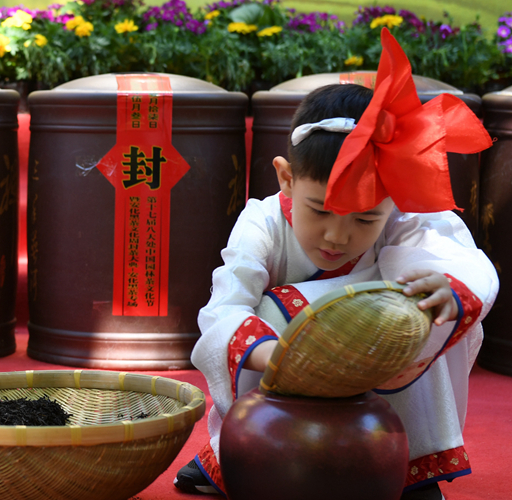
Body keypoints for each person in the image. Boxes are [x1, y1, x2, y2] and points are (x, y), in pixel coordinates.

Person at [175, 28, 497, 500]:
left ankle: (406, 464)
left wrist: (448, 287)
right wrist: (288, 360)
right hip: (283, 367)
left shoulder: (405, 215)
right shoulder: (262, 222)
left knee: (438, 307)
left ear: (394, 196)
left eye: (366, 217)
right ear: (286, 177)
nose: (337, 236)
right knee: (266, 312)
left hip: (379, 359)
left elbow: (463, 261)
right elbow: (225, 308)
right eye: (320, 210)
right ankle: (244, 451)